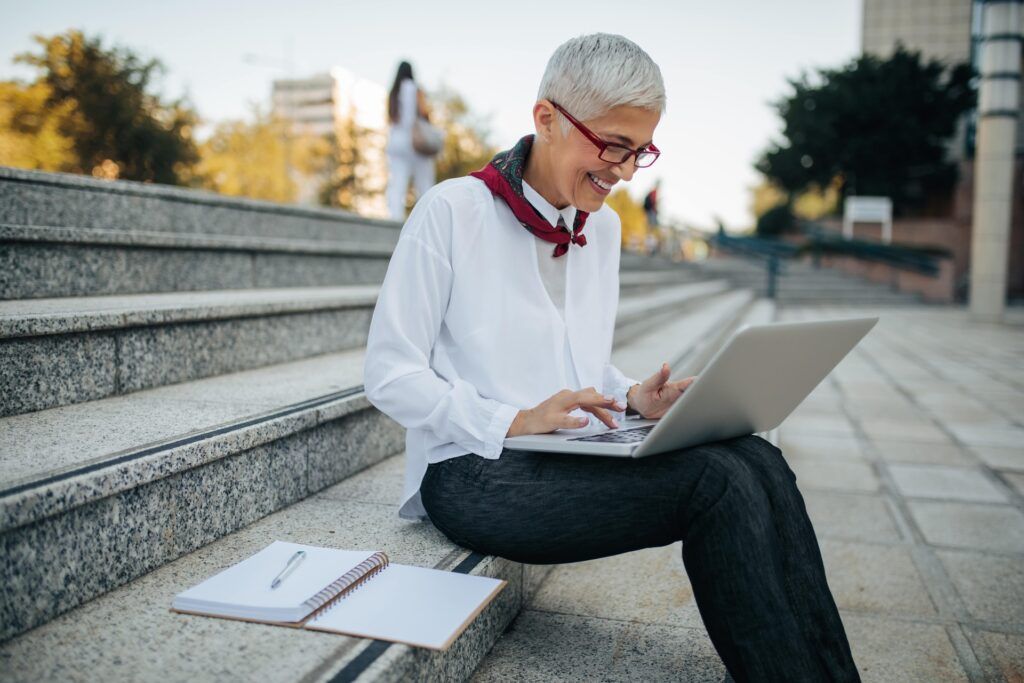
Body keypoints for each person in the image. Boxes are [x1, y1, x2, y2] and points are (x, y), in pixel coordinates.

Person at [363, 34, 859, 682]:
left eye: (640, 150)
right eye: (614, 146)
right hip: (469, 469)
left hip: (561, 452)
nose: (625, 170)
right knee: (718, 484)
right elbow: (388, 372)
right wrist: (511, 419)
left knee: (758, 456)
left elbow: (577, 366)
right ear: (546, 118)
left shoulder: (603, 228)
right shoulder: (452, 211)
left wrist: (628, 396)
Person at [385, 60, 436, 219]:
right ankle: (426, 218)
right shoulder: (415, 89)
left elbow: (391, 119)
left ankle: (395, 217)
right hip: (416, 142)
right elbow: (424, 112)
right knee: (424, 182)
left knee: (397, 183)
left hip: (396, 142)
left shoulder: (393, 93)